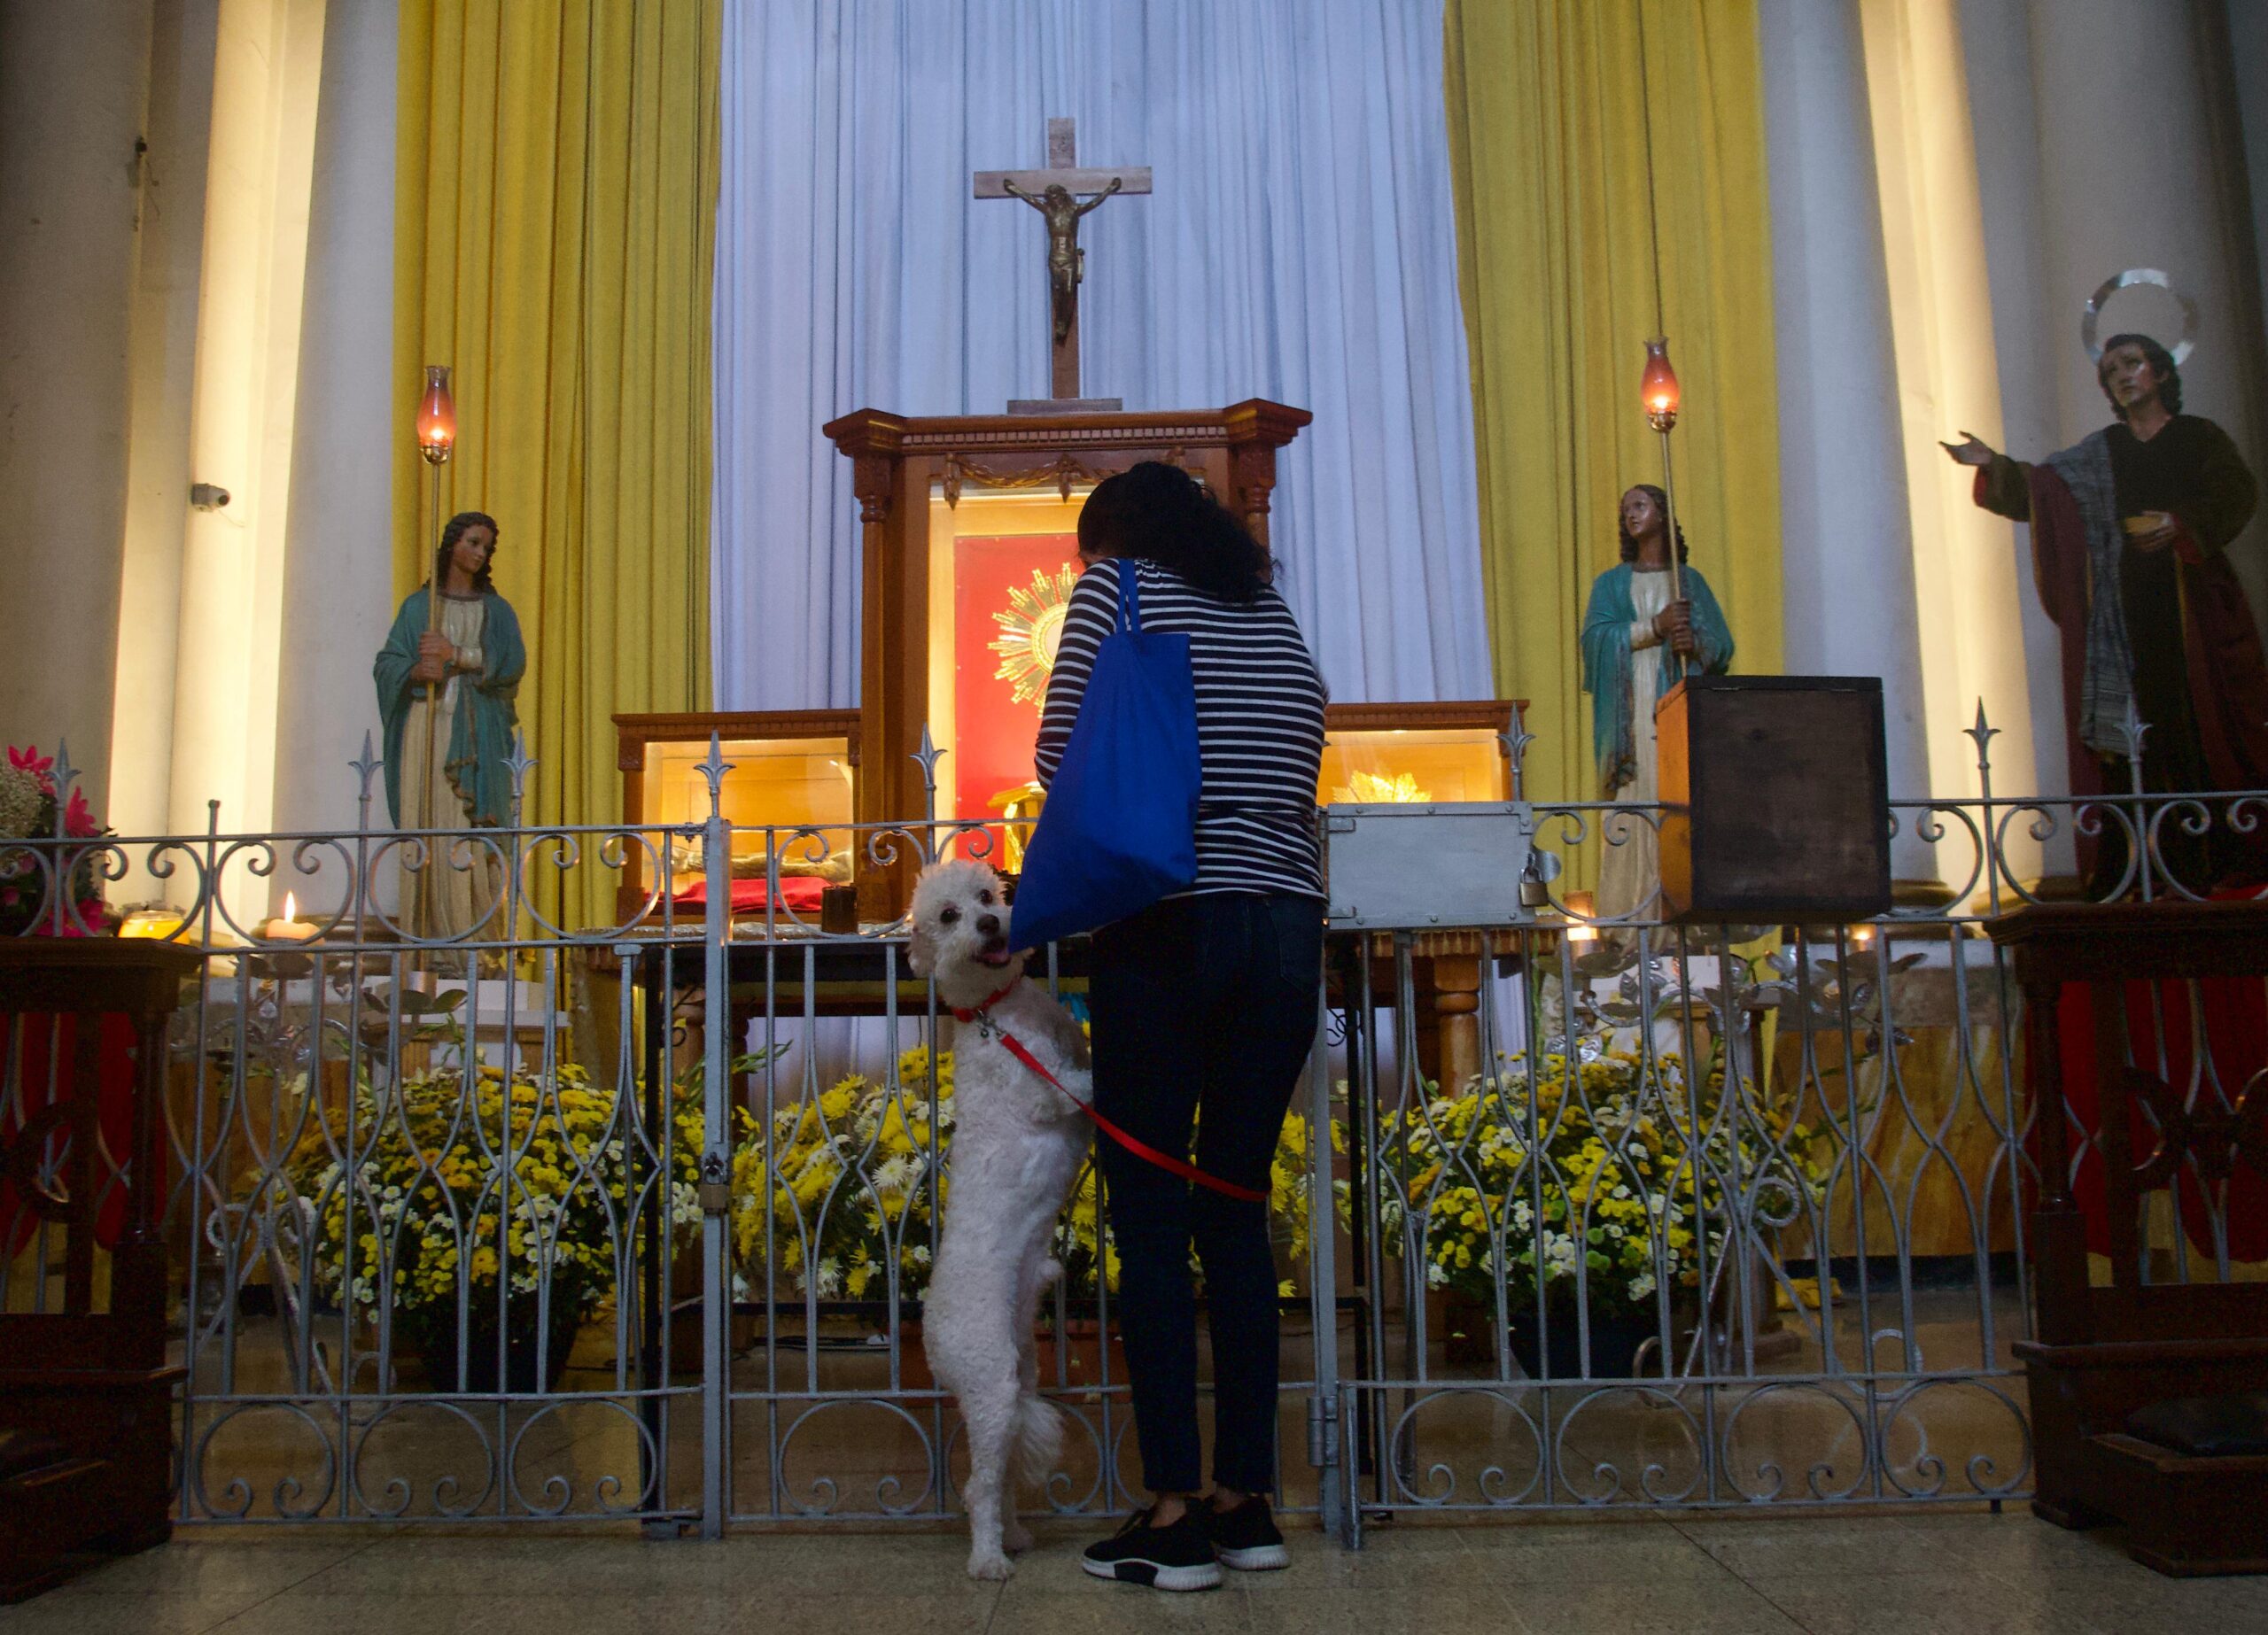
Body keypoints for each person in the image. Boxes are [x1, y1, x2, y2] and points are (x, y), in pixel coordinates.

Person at [1035, 461, 1325, 1592]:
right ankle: (1246, 1502)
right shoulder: (1268, 607)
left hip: (1168, 924)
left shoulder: (1121, 589)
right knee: (1236, 1208)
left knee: (1150, 1215)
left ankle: (1169, 1514)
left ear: (1113, 537)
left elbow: (1066, 755)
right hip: (1284, 927)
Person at [1945, 332, 2265, 891]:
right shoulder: (2104, 450)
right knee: (2131, 736)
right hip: (2122, 620)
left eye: (2133, 364)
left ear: (2160, 373)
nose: (2122, 376)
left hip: (2191, 608)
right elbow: (2046, 489)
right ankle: (2139, 864)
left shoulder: (2197, 438)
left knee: (2199, 722)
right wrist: (1993, 464)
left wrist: (2181, 523)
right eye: (2112, 369)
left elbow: (2236, 492)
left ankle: (2216, 858)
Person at [1579, 484, 1735, 926]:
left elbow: (1722, 648)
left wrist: (1694, 641)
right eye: (1625, 508)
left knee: (1680, 806)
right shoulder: (1610, 584)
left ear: (1663, 514)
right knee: (1634, 807)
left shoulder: (1689, 582)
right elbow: (1594, 643)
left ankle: (1685, 925)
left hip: (1674, 708)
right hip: (1629, 714)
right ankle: (1630, 927)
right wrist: (1654, 627)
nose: (1630, 514)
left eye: (1640, 506)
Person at [373, 511, 526, 944]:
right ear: (452, 544)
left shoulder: (496, 610)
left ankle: (478, 942)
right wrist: (416, 669)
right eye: (474, 543)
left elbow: (512, 662)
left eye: (487, 548)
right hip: (428, 729)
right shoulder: (420, 607)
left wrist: (456, 653)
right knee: (431, 826)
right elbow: (387, 662)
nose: (480, 553)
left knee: (472, 831)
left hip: (479, 732)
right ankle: (431, 939)